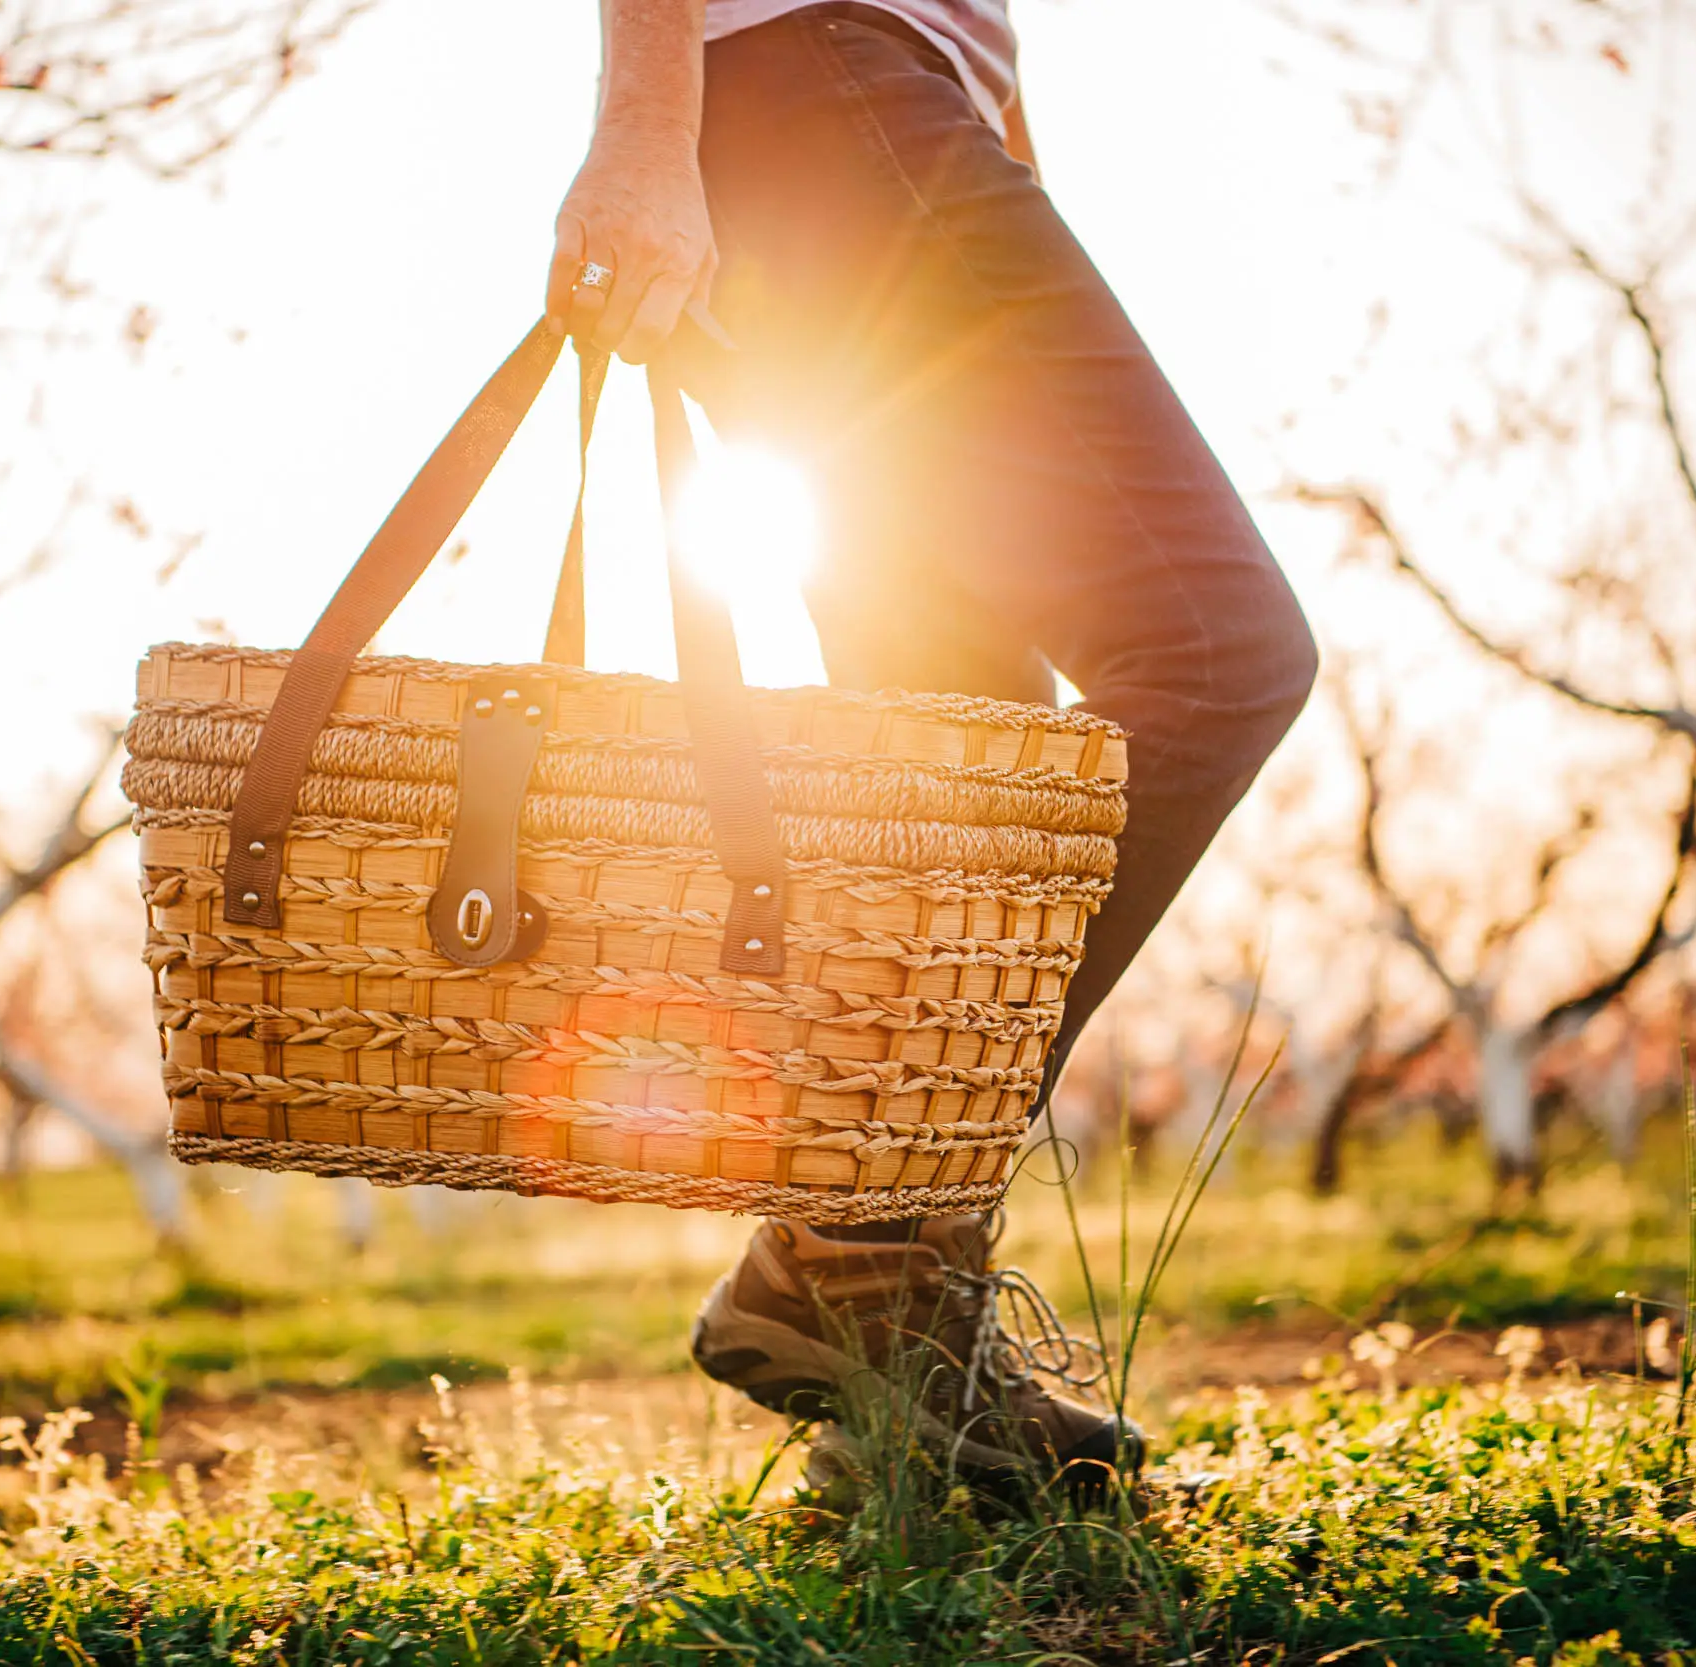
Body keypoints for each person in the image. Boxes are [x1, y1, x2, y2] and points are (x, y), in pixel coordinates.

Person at [546, 0, 1318, 1490]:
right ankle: (854, 1226)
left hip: (836, 120)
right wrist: (642, 125)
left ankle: (891, 1375)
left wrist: (994, 132)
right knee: (1218, 647)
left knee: (963, 776)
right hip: (819, 94)